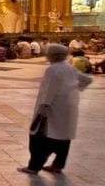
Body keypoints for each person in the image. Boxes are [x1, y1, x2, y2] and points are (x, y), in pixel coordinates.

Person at [18, 43, 93, 174]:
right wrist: (72, 89)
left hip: (52, 107)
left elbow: (49, 90)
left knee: (39, 137)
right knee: (63, 136)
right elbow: (87, 79)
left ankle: (34, 166)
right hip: (68, 107)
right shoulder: (69, 67)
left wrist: (43, 107)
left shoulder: (52, 69)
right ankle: (57, 165)